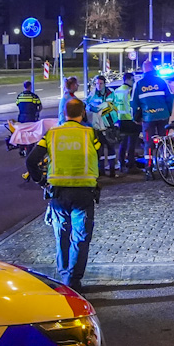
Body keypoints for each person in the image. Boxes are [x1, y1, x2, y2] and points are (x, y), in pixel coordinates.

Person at [26, 98, 106, 289]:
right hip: (84, 193)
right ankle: (74, 280)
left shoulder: (52, 134)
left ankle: (64, 279)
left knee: (62, 236)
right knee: (80, 238)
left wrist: (42, 182)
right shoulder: (91, 134)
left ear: (64, 113)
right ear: (83, 113)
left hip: (58, 194)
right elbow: (102, 149)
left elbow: (31, 161)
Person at [133, 60, 174, 175]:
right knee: (164, 141)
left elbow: (134, 103)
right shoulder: (161, 81)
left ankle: (149, 169)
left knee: (148, 143)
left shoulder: (139, 84)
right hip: (163, 116)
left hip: (148, 118)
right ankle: (165, 165)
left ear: (143, 69)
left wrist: (136, 118)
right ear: (153, 68)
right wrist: (168, 112)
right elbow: (170, 98)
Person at [111, 72, 138, 174]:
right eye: (132, 80)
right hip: (131, 120)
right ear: (127, 79)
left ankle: (122, 164)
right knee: (132, 144)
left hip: (120, 120)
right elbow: (133, 105)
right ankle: (131, 165)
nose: (133, 82)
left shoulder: (117, 91)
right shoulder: (130, 91)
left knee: (123, 144)